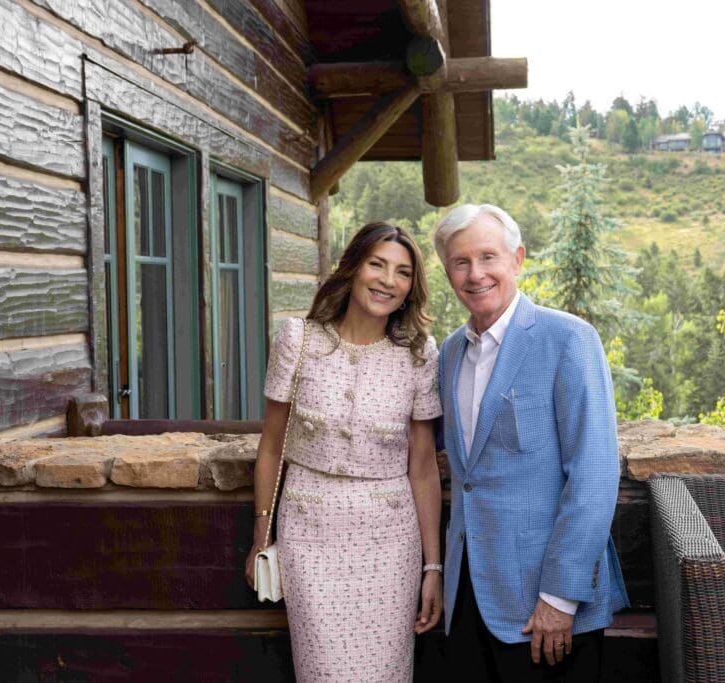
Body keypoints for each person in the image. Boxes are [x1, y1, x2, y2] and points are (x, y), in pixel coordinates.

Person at [434, 204, 629, 681]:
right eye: (461, 262)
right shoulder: (449, 354)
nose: (475, 274)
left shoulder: (569, 339)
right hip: (469, 599)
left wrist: (559, 599)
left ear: (517, 259)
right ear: (447, 272)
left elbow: (595, 475)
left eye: (488, 257)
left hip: (547, 606)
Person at [245, 222, 444, 682]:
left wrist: (431, 567)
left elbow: (423, 467)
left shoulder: (418, 354)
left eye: (402, 272)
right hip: (309, 534)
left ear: (412, 287)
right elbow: (272, 445)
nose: (387, 281)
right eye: (376, 264)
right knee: (324, 672)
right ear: (352, 269)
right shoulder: (299, 341)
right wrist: (262, 533)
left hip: (390, 544)